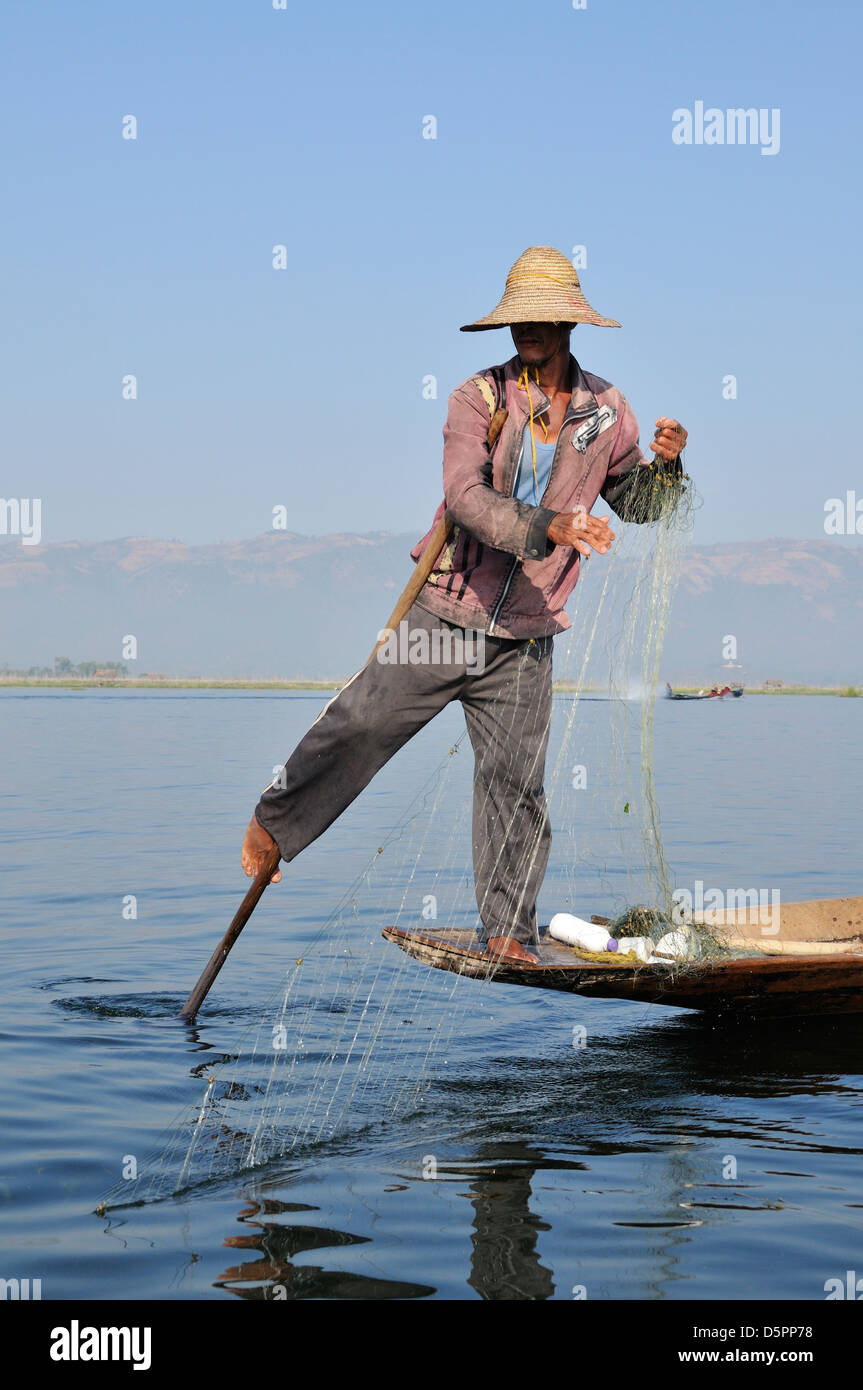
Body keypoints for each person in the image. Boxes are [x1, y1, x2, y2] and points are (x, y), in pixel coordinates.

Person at [241, 246, 688, 964]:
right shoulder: (475, 399)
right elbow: (466, 498)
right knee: (361, 722)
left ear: (567, 323)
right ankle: (277, 823)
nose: (525, 333)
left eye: (538, 319)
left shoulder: (606, 413)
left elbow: (635, 503)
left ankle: (507, 930)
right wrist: (550, 526)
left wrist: (666, 469)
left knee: (517, 786)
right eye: (516, 321)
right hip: (445, 613)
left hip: (526, 634)